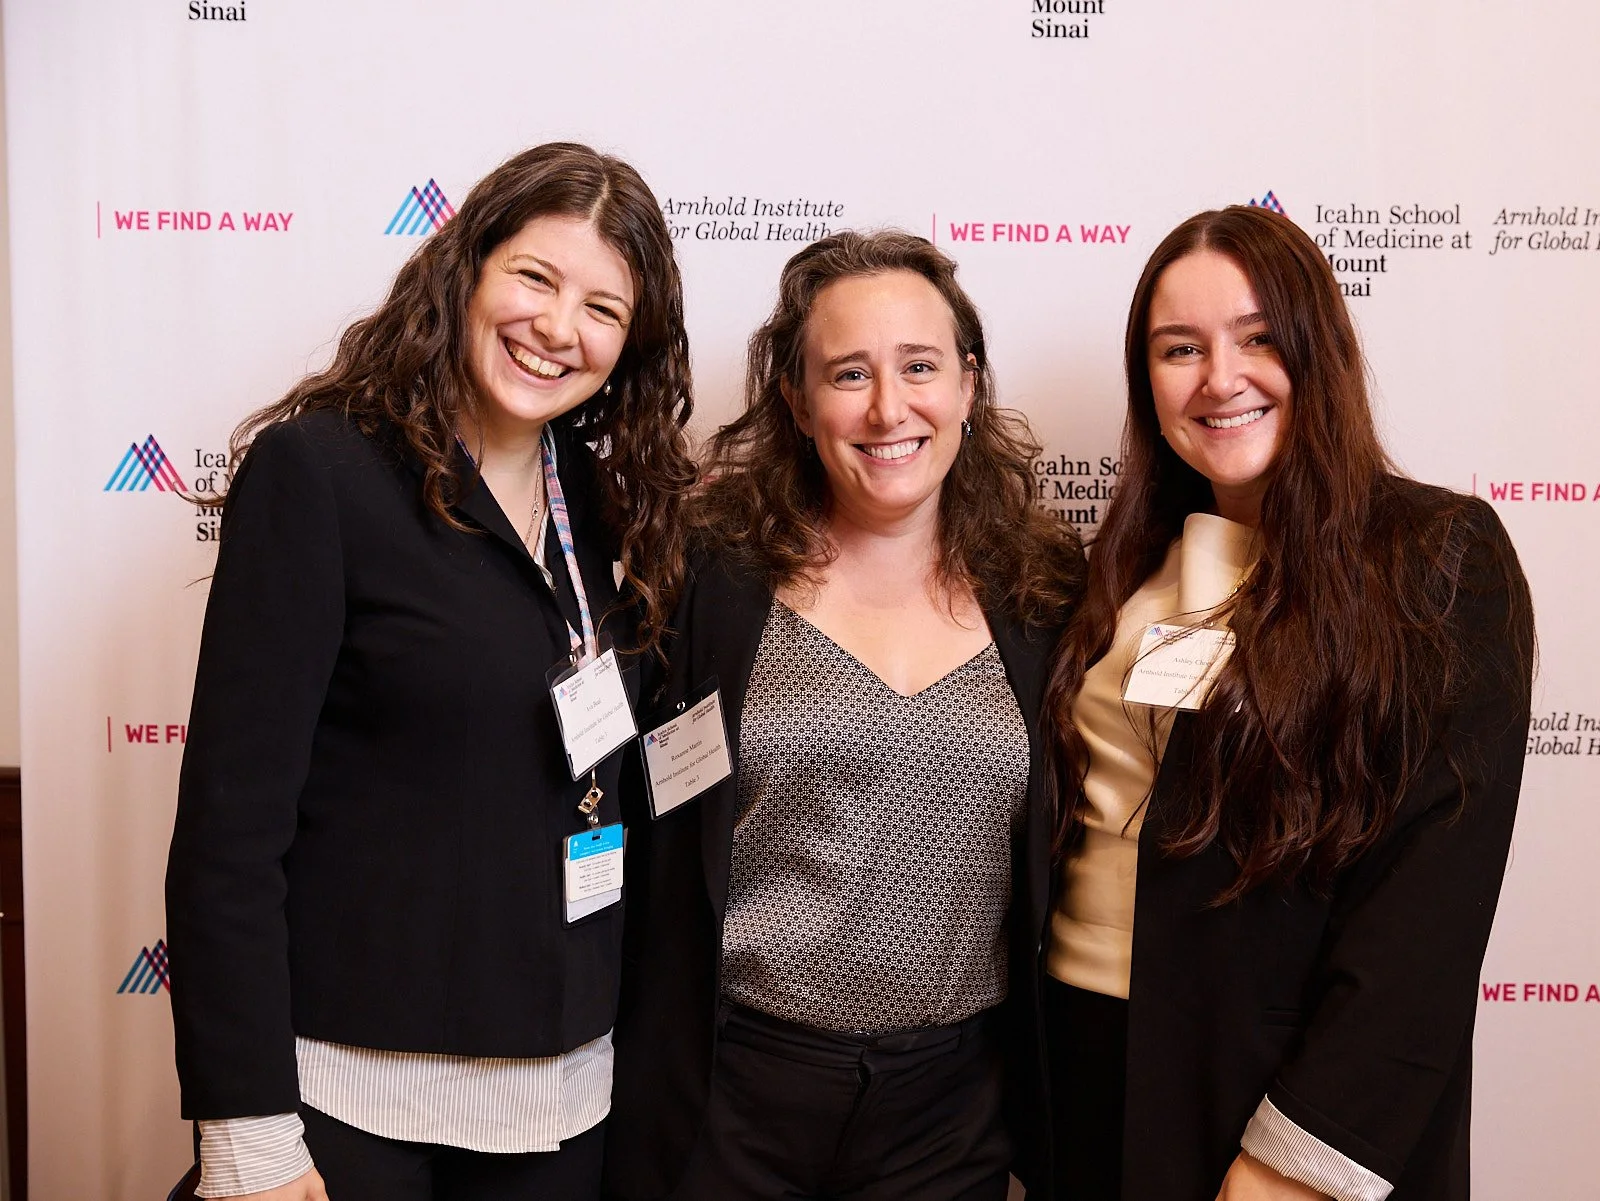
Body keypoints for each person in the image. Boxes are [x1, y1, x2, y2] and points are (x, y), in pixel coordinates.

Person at [164, 142, 695, 1201]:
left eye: (602, 306)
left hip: (566, 1103)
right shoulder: (321, 473)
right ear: (466, 267)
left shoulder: (611, 506)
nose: (558, 327)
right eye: (536, 279)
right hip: (354, 1107)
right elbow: (229, 831)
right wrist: (249, 1130)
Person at [1036, 206, 1534, 1201]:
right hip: (1088, 1086)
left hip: (1272, 1113)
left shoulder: (1436, 561)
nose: (1221, 378)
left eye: (1258, 338)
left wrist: (1290, 1167)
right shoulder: (1125, 571)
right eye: (1181, 349)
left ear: (1320, 350)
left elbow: (1420, 934)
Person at [601, 230, 1084, 1201]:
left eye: (919, 367)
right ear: (795, 397)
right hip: (729, 1092)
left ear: (969, 385)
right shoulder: (708, 581)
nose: (887, 407)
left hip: (949, 1113)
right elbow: (630, 820)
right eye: (848, 373)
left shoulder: (1047, 599)